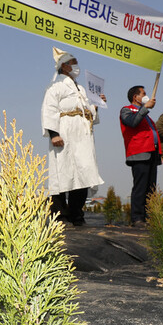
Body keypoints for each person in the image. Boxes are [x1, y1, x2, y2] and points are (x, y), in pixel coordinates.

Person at [40, 48, 105, 225]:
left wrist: (96, 106)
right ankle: (60, 216)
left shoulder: (81, 88)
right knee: (62, 173)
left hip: (82, 135)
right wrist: (54, 134)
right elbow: (49, 109)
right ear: (64, 66)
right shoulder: (55, 86)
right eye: (74, 62)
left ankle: (77, 214)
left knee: (83, 173)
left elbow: (86, 111)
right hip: (64, 132)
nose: (77, 65)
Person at [119, 86, 159, 226]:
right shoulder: (127, 110)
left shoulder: (146, 115)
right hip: (139, 153)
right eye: (144, 94)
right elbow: (132, 122)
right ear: (135, 97)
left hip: (151, 153)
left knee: (151, 188)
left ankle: (149, 216)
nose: (146, 96)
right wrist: (145, 108)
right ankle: (137, 218)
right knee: (140, 187)